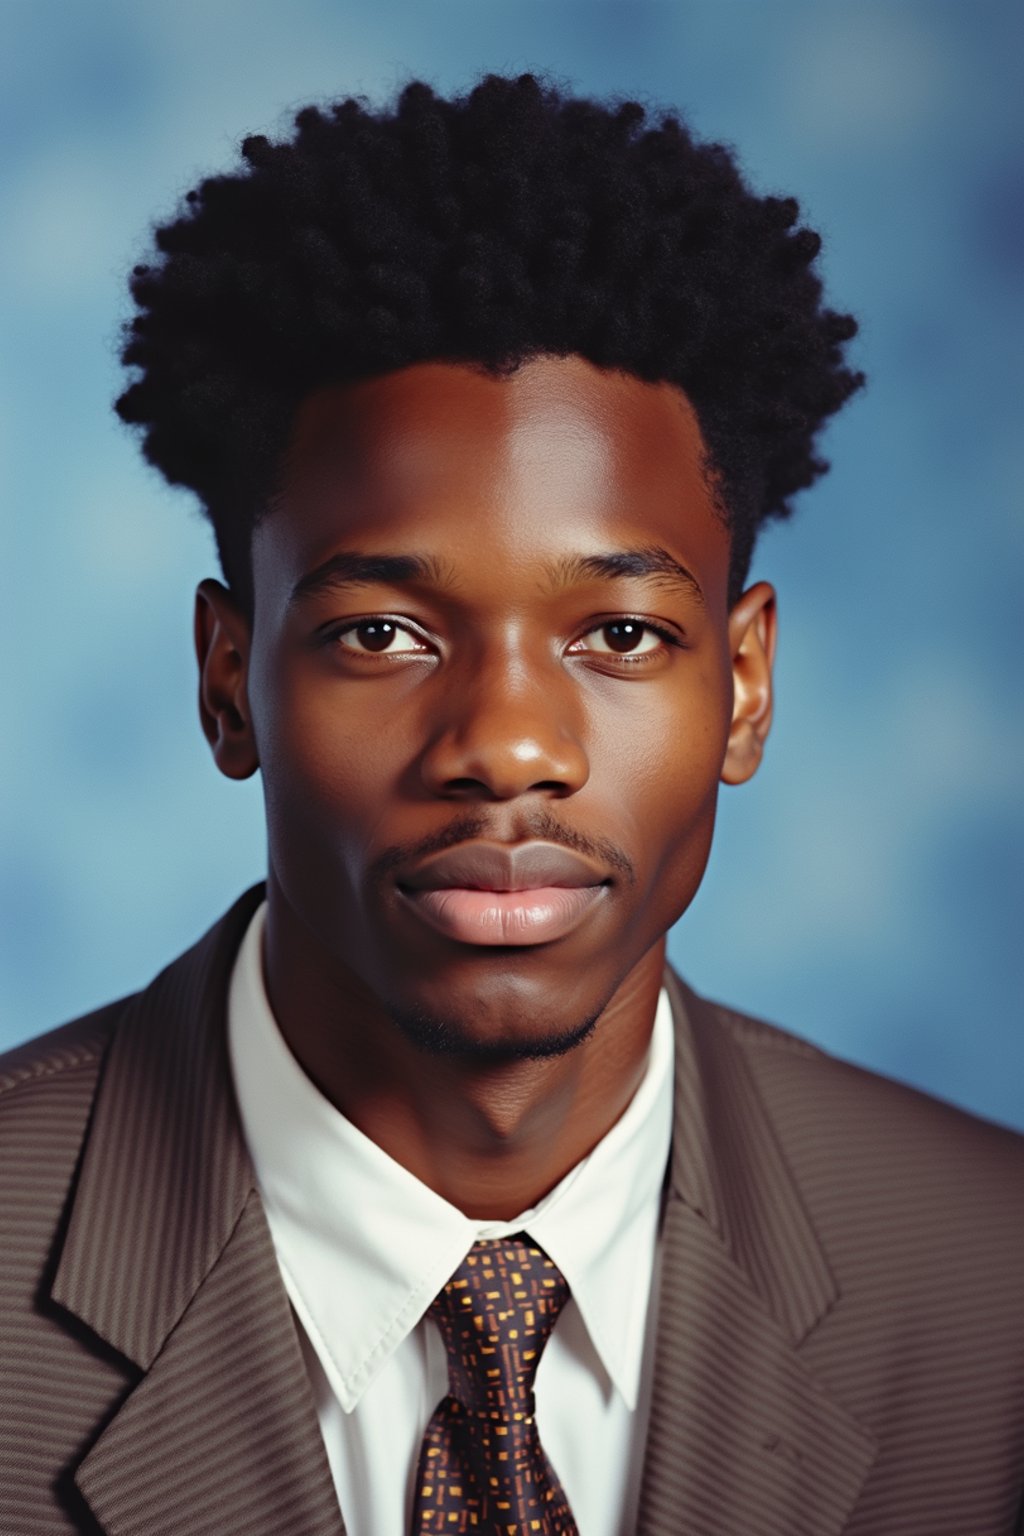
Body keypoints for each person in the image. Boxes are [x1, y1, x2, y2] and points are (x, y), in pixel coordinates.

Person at [1, 73, 1021, 1536]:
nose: (507, 746)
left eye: (619, 636)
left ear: (742, 687)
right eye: (381, 634)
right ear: (231, 682)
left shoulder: (993, 1289)